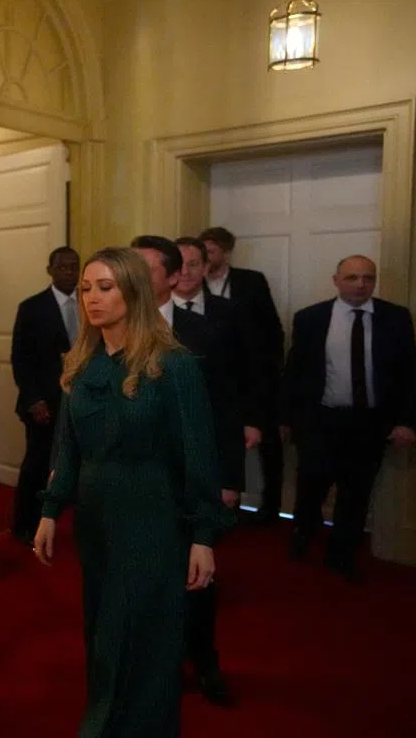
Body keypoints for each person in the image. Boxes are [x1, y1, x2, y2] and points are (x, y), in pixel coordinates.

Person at [34, 246, 229, 737]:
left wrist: (204, 535)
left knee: (144, 636)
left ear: (134, 292)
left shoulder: (174, 366)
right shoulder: (80, 364)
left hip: (153, 520)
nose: (92, 299)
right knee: (103, 633)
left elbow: (198, 456)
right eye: (85, 289)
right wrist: (51, 511)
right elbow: (68, 450)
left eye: (105, 288)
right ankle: (106, 717)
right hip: (97, 524)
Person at [131, 235, 261, 707]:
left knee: (197, 579)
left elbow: (224, 412)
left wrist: (229, 480)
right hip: (132, 483)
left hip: (191, 481)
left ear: (172, 278)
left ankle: (203, 661)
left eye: (144, 270)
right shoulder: (107, 329)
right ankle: (146, 664)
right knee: (139, 581)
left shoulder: (207, 333)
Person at [281, 255, 416, 583]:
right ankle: (303, 532)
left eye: (368, 278)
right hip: (321, 420)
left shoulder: (396, 318)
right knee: (311, 484)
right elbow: (294, 372)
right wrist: (286, 417)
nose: (361, 284)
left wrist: (408, 421)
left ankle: (341, 553)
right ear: (336, 280)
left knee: (356, 492)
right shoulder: (311, 318)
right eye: (352, 278)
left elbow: (409, 374)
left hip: (371, 423)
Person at [198, 226, 286, 524]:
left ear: (225, 251)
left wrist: (271, 368)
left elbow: (272, 328)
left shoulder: (251, 281)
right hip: (219, 378)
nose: (205, 257)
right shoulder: (192, 284)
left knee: (269, 444)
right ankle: (223, 505)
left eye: (210, 251)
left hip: (256, 376)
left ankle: (272, 507)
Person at [9, 246, 81, 545]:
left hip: (82, 399)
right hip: (44, 402)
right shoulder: (32, 308)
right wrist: (33, 400)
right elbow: (20, 359)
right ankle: (25, 525)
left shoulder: (91, 304)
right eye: (63, 267)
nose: (69, 272)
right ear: (50, 270)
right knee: (38, 465)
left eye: (74, 266)